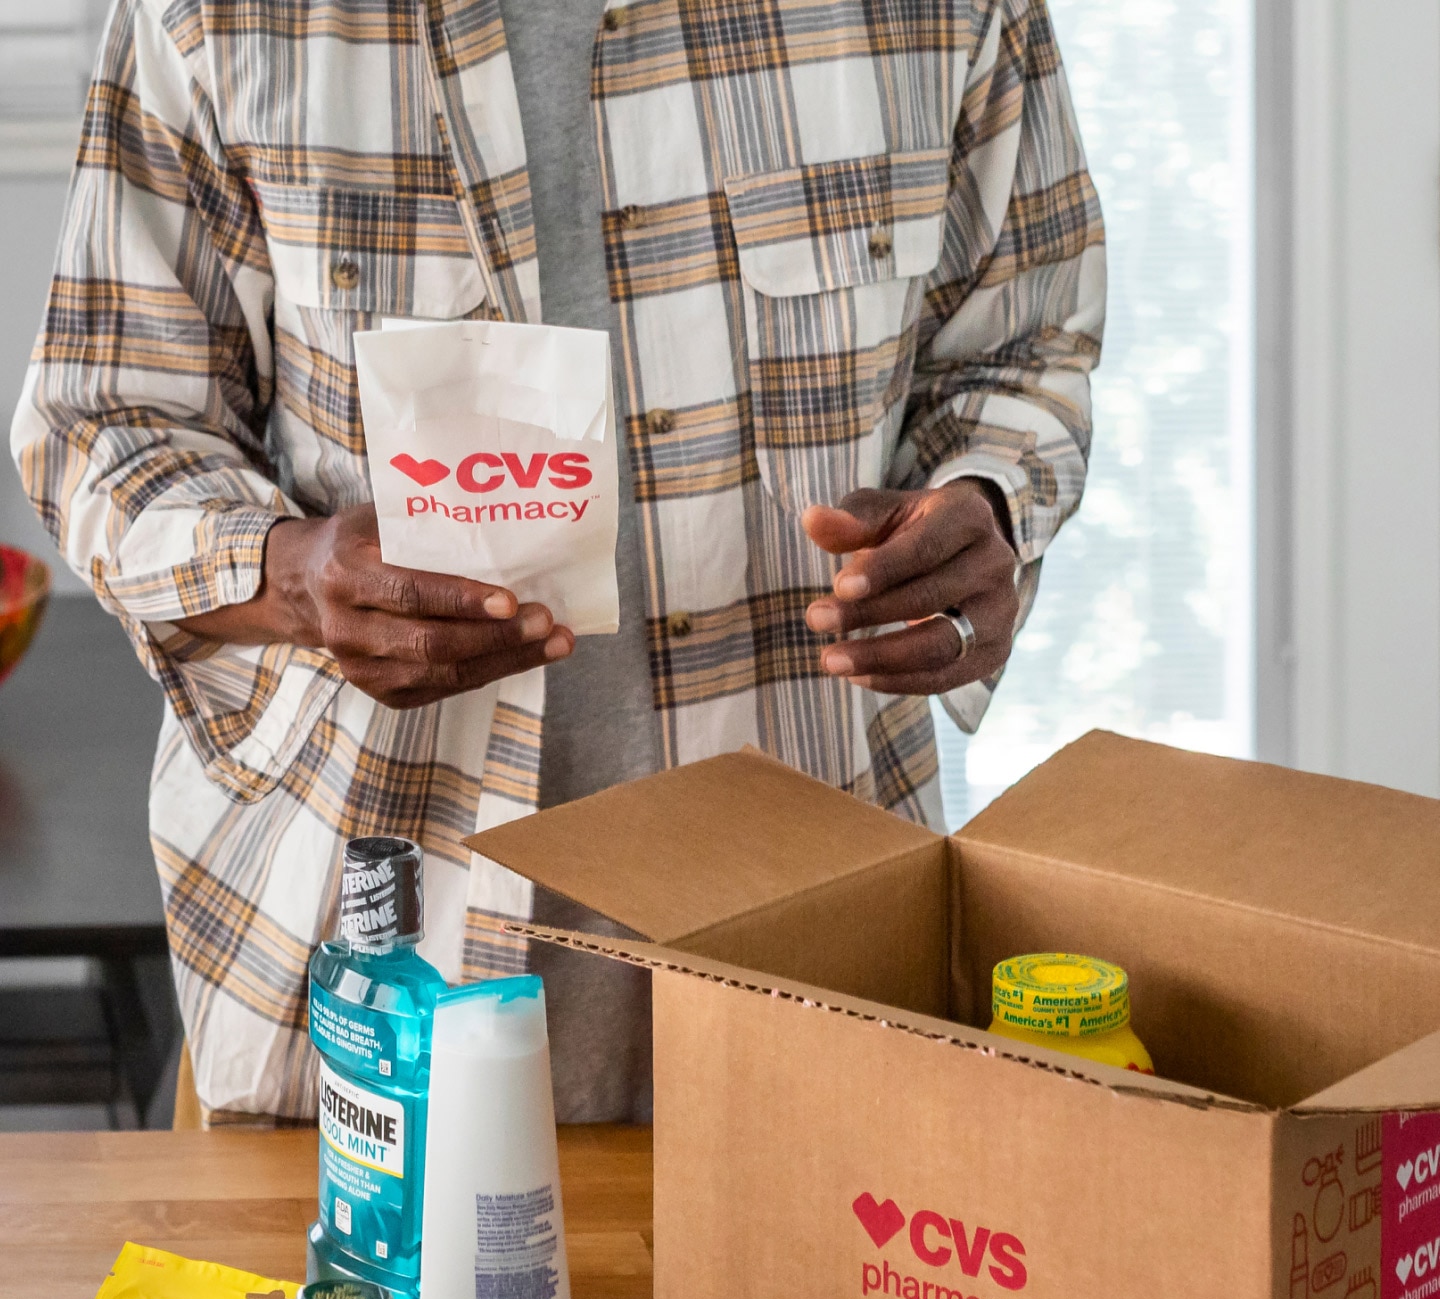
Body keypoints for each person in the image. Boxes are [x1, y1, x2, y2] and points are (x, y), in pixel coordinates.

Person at [11, 0, 1104, 1124]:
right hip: (355, 983)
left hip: (821, 963)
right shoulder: (217, 15)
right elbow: (106, 419)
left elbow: (1028, 349)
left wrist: (988, 505)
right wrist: (293, 574)